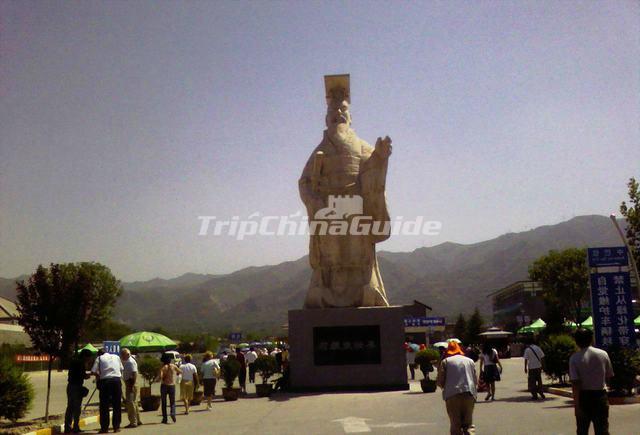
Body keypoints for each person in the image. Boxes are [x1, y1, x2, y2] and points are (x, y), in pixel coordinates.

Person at [299, 74, 393, 308]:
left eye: (343, 110)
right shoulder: (320, 149)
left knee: (357, 255)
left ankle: (366, 291)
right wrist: (314, 200)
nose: (338, 113)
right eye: (333, 110)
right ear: (326, 117)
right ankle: (327, 294)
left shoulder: (361, 146)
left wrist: (381, 157)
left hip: (356, 210)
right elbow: (304, 182)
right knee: (332, 257)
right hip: (329, 211)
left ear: (350, 117)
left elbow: (374, 169)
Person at [569, 329, 614, 435]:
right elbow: (609, 376)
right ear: (591, 339)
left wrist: (577, 405)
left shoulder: (574, 358)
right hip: (600, 395)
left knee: (582, 430)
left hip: (584, 397)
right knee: (602, 429)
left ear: (576, 341)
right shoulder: (603, 354)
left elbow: (576, 384)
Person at [437, 341, 477, 435]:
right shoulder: (470, 361)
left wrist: (444, 387)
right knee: (468, 424)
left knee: (455, 424)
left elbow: (440, 381)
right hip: (469, 393)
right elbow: (475, 379)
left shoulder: (446, 361)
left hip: (452, 395)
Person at [91, 350, 124, 433]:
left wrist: (99, 376)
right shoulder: (116, 357)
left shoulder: (99, 358)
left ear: (99, 354)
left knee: (104, 405)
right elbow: (121, 369)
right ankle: (116, 427)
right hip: (116, 381)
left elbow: (93, 371)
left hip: (105, 382)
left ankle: (104, 428)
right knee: (117, 404)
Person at [64, 349, 92, 434]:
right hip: (77, 387)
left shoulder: (74, 361)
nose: (89, 360)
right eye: (88, 358)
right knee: (77, 408)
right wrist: (90, 374)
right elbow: (83, 375)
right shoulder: (80, 363)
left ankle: (67, 427)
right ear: (85, 356)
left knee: (70, 407)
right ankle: (76, 427)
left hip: (70, 386)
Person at [120, 348, 142, 428]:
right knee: (134, 403)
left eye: (122, 354)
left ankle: (133, 422)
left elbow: (134, 374)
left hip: (131, 383)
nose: (121, 356)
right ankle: (138, 420)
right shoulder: (128, 361)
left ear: (127, 354)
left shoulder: (130, 362)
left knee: (131, 403)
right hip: (130, 383)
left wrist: (131, 386)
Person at [159, 353, 182, 424]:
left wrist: (161, 377)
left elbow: (160, 376)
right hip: (172, 385)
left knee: (164, 402)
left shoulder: (163, 367)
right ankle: (172, 413)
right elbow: (180, 371)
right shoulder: (173, 366)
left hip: (164, 385)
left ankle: (165, 418)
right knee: (172, 402)